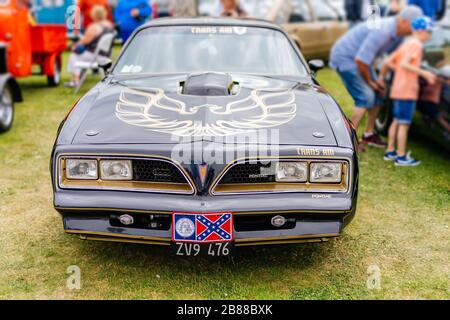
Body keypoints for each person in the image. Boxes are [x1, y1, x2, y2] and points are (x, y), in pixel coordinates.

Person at [330, 5, 423, 151]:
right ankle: (347, 141)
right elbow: (361, 60)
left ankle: (368, 135)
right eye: (415, 26)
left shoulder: (399, 35)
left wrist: (379, 80)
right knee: (365, 96)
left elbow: (389, 59)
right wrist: (370, 83)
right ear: (404, 21)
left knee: (379, 94)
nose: (416, 31)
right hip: (345, 58)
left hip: (361, 60)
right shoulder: (384, 31)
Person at [379, 16, 436, 166]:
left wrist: (400, 72)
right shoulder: (416, 45)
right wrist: (425, 73)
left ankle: (390, 151)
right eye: (429, 32)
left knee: (396, 121)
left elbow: (389, 61)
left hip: (398, 88)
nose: (429, 36)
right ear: (422, 31)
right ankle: (402, 157)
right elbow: (405, 64)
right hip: (407, 90)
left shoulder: (406, 43)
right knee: (404, 124)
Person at [66, 5, 114, 88]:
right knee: (80, 55)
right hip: (106, 55)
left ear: (93, 15)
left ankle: (76, 80)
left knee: (74, 55)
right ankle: (78, 78)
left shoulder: (94, 27)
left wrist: (74, 46)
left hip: (95, 56)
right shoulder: (109, 25)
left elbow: (84, 42)